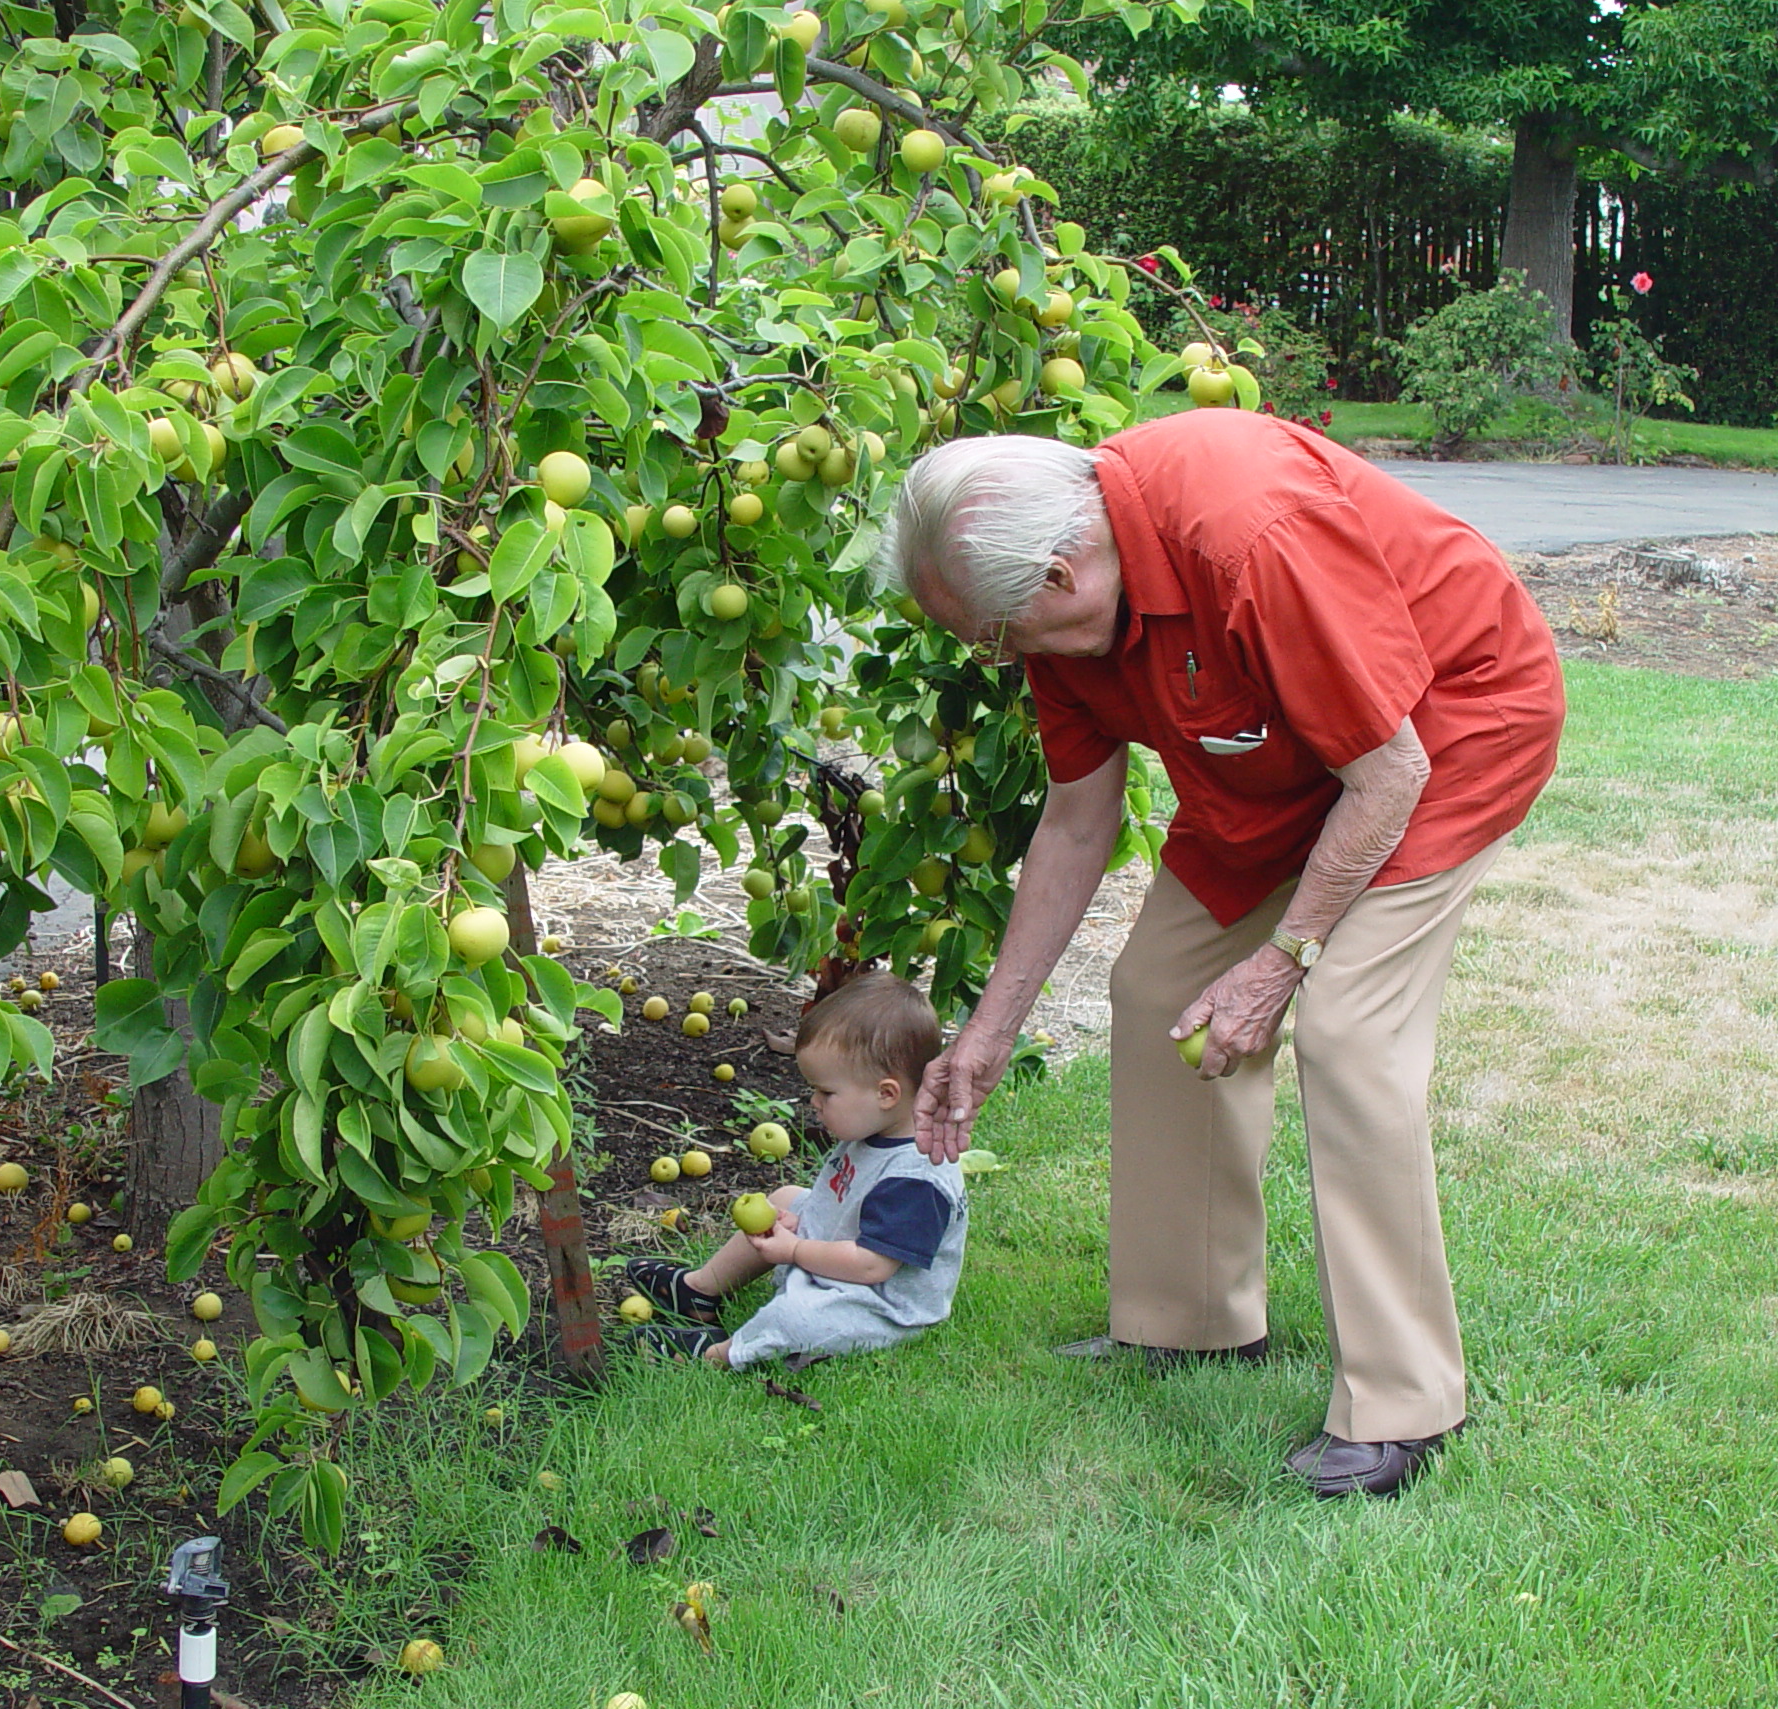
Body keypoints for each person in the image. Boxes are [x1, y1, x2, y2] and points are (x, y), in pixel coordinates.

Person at [881, 408, 1564, 1498]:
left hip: (1442, 729)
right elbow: (1073, 820)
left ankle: (1403, 1405)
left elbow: (1387, 773)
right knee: (1156, 987)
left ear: (1062, 575)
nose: (999, 659)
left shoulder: (1250, 531)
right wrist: (985, 1036)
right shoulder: (1057, 611)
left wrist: (1284, 958)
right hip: (1270, 760)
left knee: (1347, 1032)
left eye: (999, 638)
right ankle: (1189, 1318)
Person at [624, 969, 967, 1368]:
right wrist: (798, 1225)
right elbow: (845, 1205)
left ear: (886, 1093)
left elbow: (874, 1264)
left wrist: (796, 1249)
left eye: (826, 1092)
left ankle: (714, 1355)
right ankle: (700, 1290)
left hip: (877, 1302)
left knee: (797, 1318)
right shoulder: (876, 1126)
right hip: (843, 1254)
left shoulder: (915, 1178)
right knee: (786, 1197)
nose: (814, 1102)